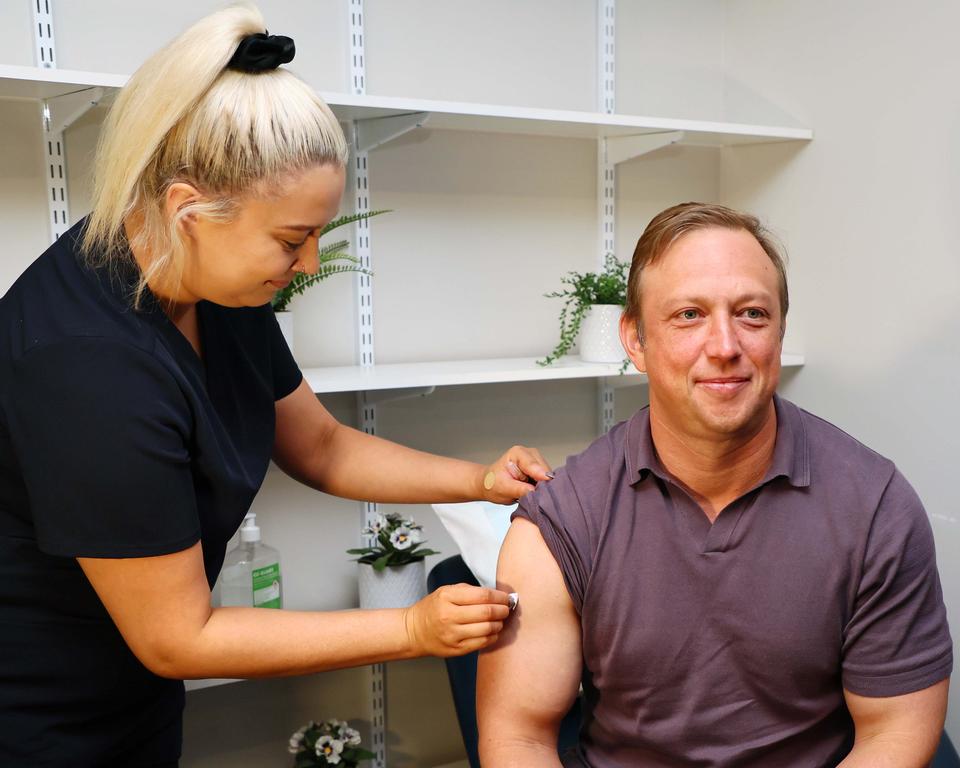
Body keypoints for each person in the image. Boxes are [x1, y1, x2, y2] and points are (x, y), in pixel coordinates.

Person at [0, 6, 551, 766]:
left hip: (132, 696)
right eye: (292, 238)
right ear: (188, 210)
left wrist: (478, 481)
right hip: (38, 714)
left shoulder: (208, 281)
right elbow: (178, 637)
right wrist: (413, 630)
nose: (312, 262)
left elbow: (320, 446)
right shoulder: (86, 364)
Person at [477, 203, 953, 767]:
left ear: (779, 329)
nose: (725, 345)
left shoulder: (876, 509)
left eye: (752, 313)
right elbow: (518, 737)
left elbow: (894, 733)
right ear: (635, 339)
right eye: (688, 314)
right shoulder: (561, 520)